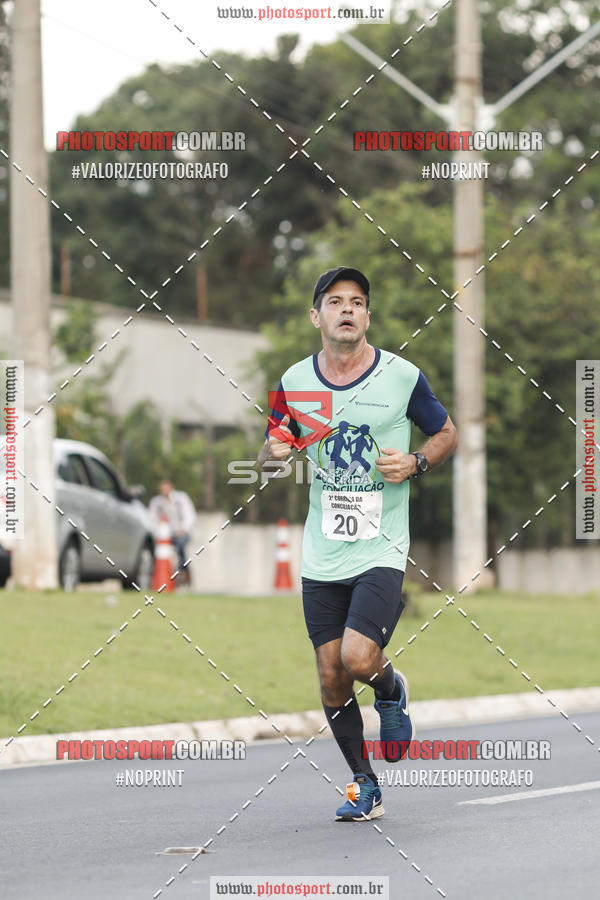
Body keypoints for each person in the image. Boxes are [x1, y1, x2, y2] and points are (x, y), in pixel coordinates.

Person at [258, 266, 457, 822]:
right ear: (316, 315)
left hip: (381, 545)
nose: (347, 309)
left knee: (358, 657)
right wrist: (273, 455)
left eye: (358, 302)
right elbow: (270, 451)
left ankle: (390, 689)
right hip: (322, 550)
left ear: (367, 316)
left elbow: (447, 433)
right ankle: (364, 784)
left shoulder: (401, 377)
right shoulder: (294, 382)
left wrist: (415, 461)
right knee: (329, 674)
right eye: (335, 301)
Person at [149, 478, 196, 586]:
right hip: (164, 536)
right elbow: (152, 519)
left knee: (180, 545)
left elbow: (189, 516)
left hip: (181, 533)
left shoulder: (181, 499)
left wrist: (183, 529)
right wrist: (157, 533)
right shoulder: (157, 502)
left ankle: (183, 571)